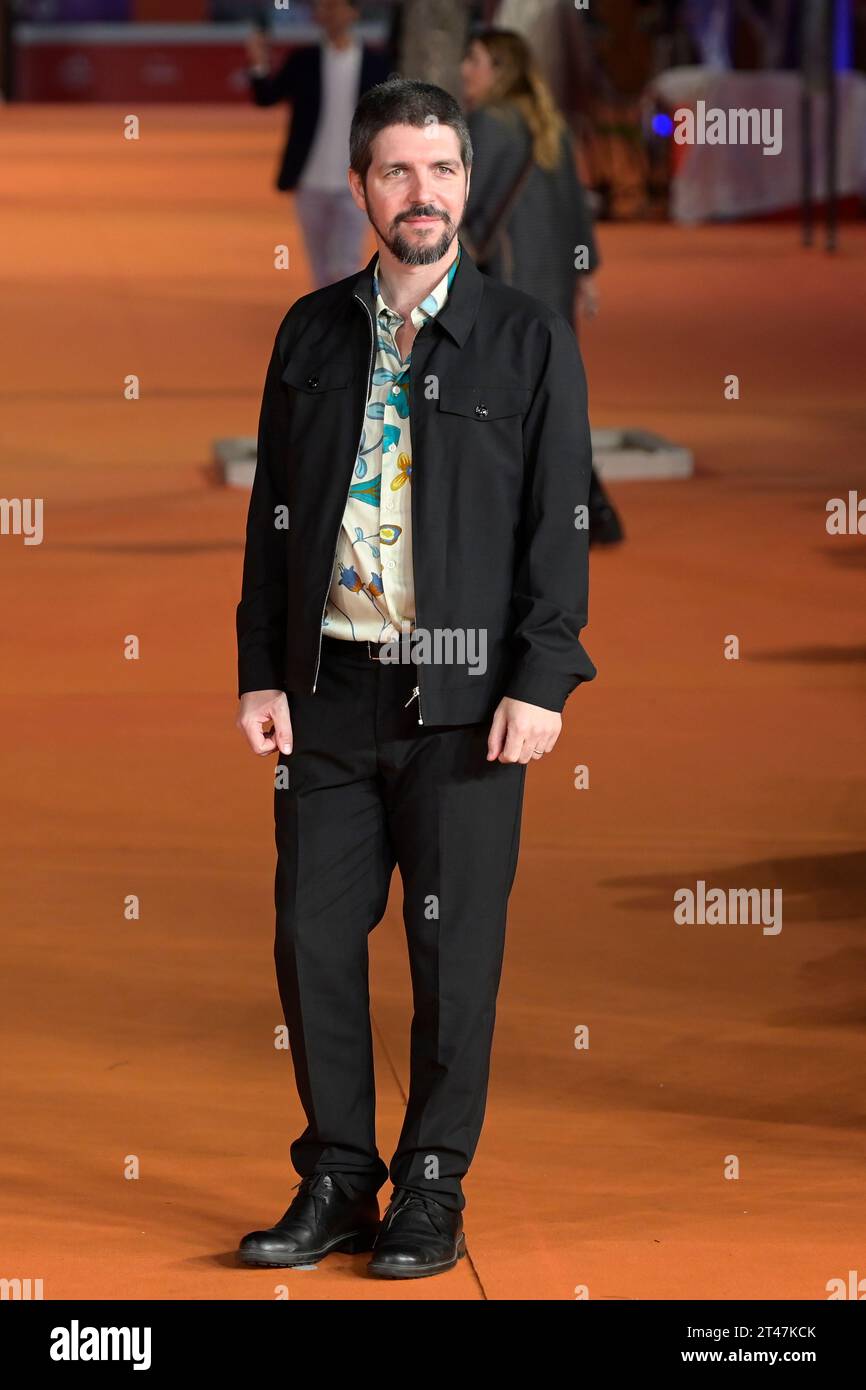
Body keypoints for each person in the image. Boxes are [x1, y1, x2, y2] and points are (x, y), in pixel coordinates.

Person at [234, 76, 597, 1280]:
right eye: (397, 171)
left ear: (465, 183)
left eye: (440, 169)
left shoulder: (526, 337)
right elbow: (273, 522)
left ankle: (430, 1186)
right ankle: (338, 1174)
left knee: (453, 956)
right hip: (329, 692)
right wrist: (260, 670)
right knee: (311, 939)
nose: (422, 193)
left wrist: (539, 682)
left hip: (465, 706)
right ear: (361, 189)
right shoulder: (310, 331)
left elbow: (557, 527)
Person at [460, 27, 624, 546]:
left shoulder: (488, 123)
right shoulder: (548, 124)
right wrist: (587, 274)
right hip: (550, 285)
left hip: (507, 284)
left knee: (500, 402)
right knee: (549, 401)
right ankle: (590, 509)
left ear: (500, 70)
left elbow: (466, 207)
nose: (466, 68)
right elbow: (578, 208)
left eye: (477, 59)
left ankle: (514, 519)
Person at [245, 0, 391, 288]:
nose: (328, 13)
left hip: (357, 178)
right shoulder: (303, 60)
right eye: (323, 7)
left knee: (346, 263)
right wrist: (258, 63)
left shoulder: (377, 64)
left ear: (354, 12)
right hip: (309, 180)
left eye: (335, 7)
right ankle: (323, 327)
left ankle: (346, 325)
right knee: (320, 267)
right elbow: (266, 97)